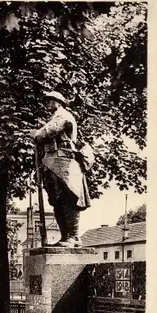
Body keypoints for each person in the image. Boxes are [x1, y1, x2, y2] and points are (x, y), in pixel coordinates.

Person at [34, 91, 94, 247]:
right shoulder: (54, 117)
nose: (46, 103)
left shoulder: (63, 115)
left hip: (64, 162)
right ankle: (65, 236)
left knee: (69, 198)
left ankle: (74, 237)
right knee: (57, 201)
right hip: (52, 162)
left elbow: (47, 133)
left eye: (50, 100)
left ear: (59, 103)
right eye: (45, 101)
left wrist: (35, 134)